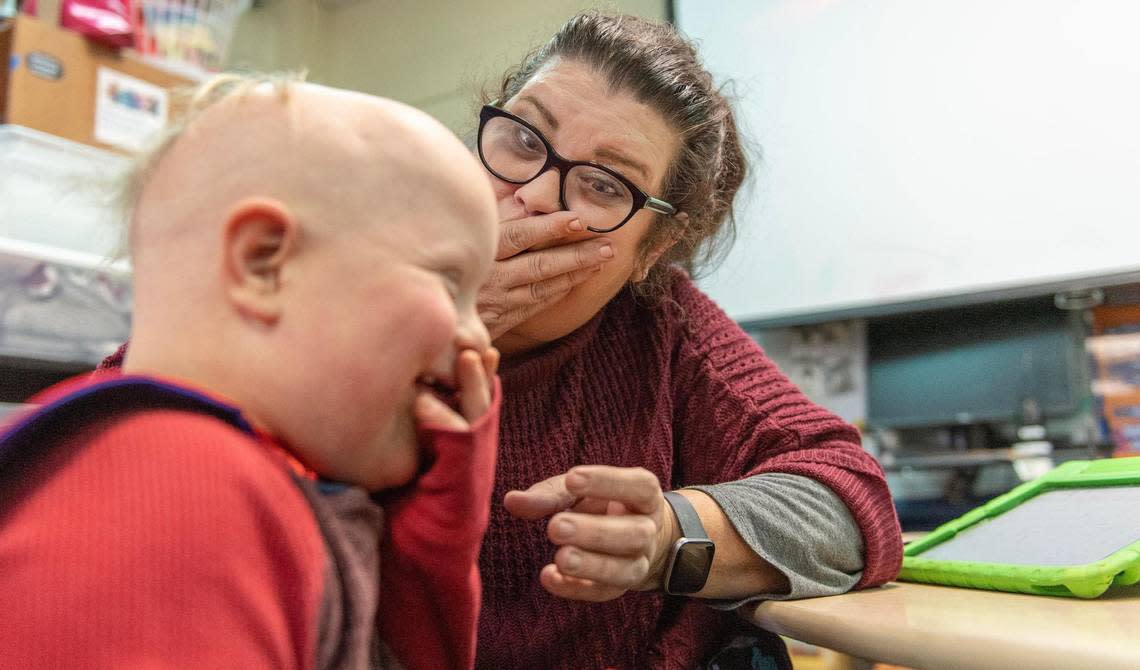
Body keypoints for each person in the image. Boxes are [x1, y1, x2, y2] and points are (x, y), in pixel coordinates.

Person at [0, 74, 501, 670]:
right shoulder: (177, 490)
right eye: (451, 281)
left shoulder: (249, 481)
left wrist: (429, 537)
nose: (479, 339)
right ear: (263, 263)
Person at [468, 12, 904, 669]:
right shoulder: (349, 278)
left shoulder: (662, 326)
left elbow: (849, 500)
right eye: (525, 140)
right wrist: (442, 329)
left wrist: (667, 536)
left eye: (603, 185)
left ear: (653, 248)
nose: (532, 195)